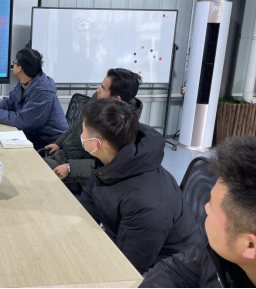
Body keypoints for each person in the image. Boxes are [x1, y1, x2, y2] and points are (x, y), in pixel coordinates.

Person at [78, 98, 201, 274]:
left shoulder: (145, 203)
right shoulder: (113, 159)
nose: (80, 137)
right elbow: (89, 202)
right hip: (123, 241)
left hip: (169, 273)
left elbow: (128, 268)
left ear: (97, 144)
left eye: (83, 132)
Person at [140, 137, 256, 288]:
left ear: (249, 245)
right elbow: (174, 271)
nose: (205, 208)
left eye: (212, 207)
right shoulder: (217, 253)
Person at [44, 68, 143, 194]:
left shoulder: (121, 126)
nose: (97, 90)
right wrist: (59, 142)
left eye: (103, 88)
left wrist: (70, 167)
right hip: (65, 156)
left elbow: (108, 165)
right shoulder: (100, 99)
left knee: (34, 173)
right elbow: (79, 123)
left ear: (116, 98)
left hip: (79, 176)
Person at [0, 48, 68, 150]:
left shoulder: (43, 93)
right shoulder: (26, 82)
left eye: (15, 63)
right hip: (34, 135)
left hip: (49, 142)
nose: (13, 65)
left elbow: (23, 121)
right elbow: (11, 102)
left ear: (19, 69)